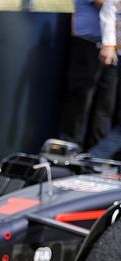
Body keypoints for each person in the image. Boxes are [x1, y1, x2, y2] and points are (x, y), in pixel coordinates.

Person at [60, 0, 118, 151]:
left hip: (112, 49)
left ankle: (94, 155)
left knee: (105, 104)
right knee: (80, 100)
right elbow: (106, 4)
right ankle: (70, 149)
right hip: (87, 44)